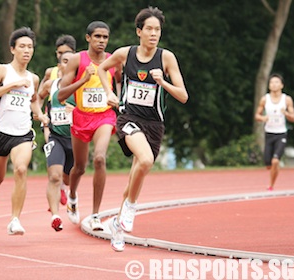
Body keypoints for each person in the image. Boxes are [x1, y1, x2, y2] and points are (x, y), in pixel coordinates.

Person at [97, 6, 188, 251]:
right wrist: (109, 93)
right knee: (145, 160)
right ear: (139, 31)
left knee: (133, 179)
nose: (153, 34)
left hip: (154, 125)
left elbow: (183, 96)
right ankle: (131, 209)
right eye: (149, 29)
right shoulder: (125, 54)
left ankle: (117, 225)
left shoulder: (166, 58)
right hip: (129, 118)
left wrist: (163, 82)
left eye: (157, 30)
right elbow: (101, 69)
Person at [0, 27, 49, 236]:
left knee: (20, 169)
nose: (27, 50)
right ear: (13, 49)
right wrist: (11, 86)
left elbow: (33, 100)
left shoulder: (34, 78)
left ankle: (15, 219)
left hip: (23, 133)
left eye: (30, 47)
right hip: (0, 132)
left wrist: (40, 115)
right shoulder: (1, 71)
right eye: (22, 46)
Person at [58, 21, 121, 231]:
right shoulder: (77, 60)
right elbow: (61, 95)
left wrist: (117, 99)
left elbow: (119, 84)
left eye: (105, 37)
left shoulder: (113, 60)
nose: (101, 41)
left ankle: (95, 215)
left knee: (100, 159)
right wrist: (82, 81)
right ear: (88, 38)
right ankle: (73, 196)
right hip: (81, 117)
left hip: (104, 116)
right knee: (79, 167)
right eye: (97, 37)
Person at [37, 51, 76, 231]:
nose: (68, 65)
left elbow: (94, 111)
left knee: (68, 180)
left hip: (76, 140)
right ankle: (55, 215)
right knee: (54, 176)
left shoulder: (81, 87)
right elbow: (36, 98)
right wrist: (40, 115)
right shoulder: (50, 85)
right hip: (56, 137)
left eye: (72, 61)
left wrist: (75, 112)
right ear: (59, 66)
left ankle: (72, 196)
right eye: (65, 61)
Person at [255, 73, 294, 191]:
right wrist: (263, 118)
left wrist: (286, 113)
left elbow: (293, 118)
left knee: (275, 160)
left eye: (276, 82)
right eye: (272, 82)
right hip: (269, 133)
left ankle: (271, 185)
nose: (274, 84)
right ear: (269, 85)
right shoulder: (265, 99)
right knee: (268, 164)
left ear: (281, 85)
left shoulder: (286, 99)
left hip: (281, 134)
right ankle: (275, 167)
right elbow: (257, 115)